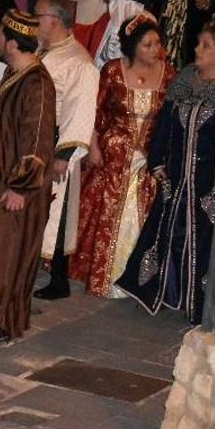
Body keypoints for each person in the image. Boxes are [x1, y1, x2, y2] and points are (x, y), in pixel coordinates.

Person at [116, 22, 215, 324]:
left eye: (206, 45)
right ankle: (165, 292)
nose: (197, 49)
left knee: (205, 241)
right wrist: (158, 162)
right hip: (177, 178)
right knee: (166, 232)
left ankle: (200, 302)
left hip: (212, 183)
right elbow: (165, 126)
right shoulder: (184, 81)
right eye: (199, 43)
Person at [0, 11, 57, 341]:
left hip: (17, 188)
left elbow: (37, 140)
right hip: (1, 179)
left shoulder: (37, 84)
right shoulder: (13, 72)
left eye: (1, 37)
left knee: (7, 255)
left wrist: (21, 186)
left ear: (14, 44)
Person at [69, 15, 172, 299]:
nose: (155, 49)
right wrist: (93, 146)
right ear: (132, 48)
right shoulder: (113, 71)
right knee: (103, 213)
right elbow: (95, 111)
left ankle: (137, 279)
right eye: (148, 45)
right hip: (112, 157)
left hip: (147, 160)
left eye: (157, 43)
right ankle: (102, 274)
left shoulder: (169, 74)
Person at [31, 0, 99, 301]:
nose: (34, 21)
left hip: (58, 144)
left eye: (39, 16)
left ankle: (58, 278)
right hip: (34, 141)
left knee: (57, 211)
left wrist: (63, 155)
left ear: (54, 21)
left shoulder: (79, 62)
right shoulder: (43, 51)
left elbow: (80, 109)